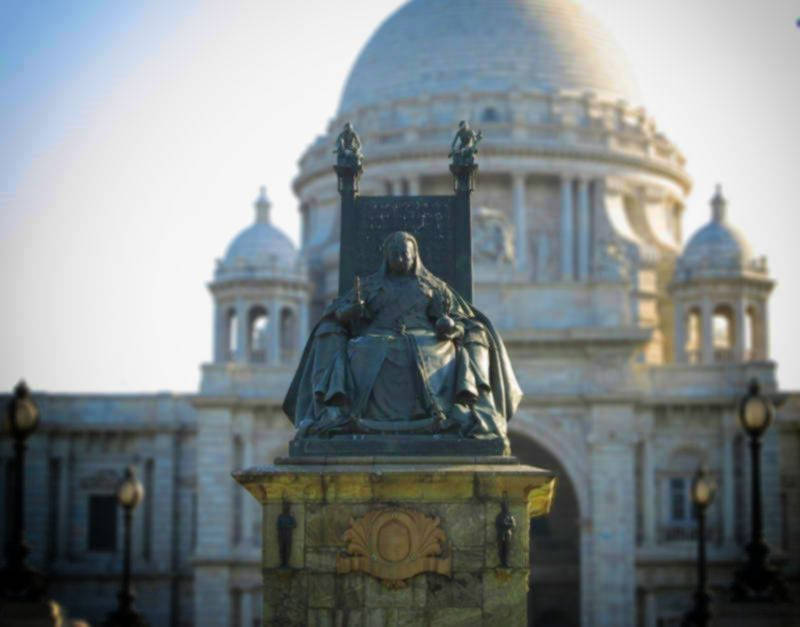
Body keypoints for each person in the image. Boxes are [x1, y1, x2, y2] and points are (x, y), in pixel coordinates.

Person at [283, 231, 521, 445]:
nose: (400, 259)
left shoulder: (434, 286)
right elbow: (338, 313)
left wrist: (449, 326)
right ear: (386, 257)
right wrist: (352, 312)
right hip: (376, 338)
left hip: (425, 340)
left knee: (437, 346)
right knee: (365, 347)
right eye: (395, 254)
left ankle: (466, 405)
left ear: (414, 256)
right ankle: (333, 409)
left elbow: (458, 321)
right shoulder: (368, 286)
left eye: (404, 254)